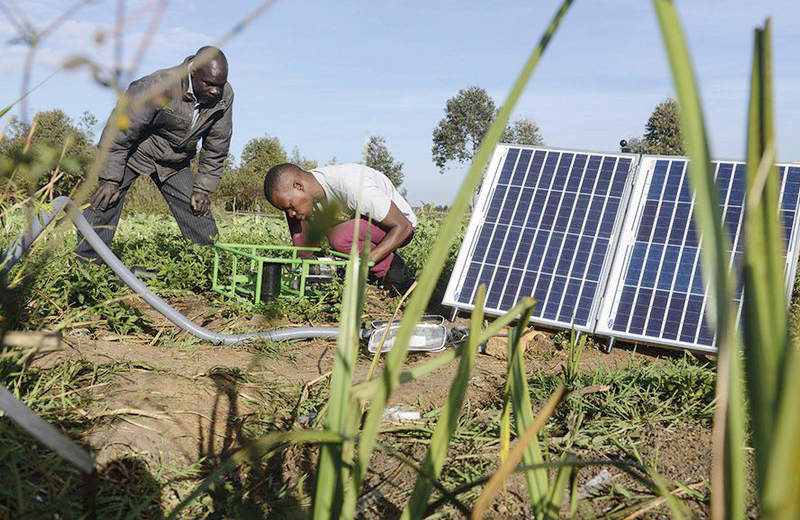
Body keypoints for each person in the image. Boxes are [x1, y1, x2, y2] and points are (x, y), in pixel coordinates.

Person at [76, 46, 233, 264]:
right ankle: (85, 267)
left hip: (175, 160)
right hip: (136, 151)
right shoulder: (158, 86)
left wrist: (203, 188)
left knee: (198, 208)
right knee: (106, 199)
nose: (216, 91)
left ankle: (209, 269)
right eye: (210, 84)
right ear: (193, 71)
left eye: (220, 85)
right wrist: (110, 178)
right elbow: (118, 133)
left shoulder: (224, 96)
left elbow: (217, 146)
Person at [263, 162, 416, 292]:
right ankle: (313, 276)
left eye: (289, 205)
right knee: (298, 218)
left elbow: (404, 226)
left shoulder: (351, 185)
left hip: (397, 227)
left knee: (340, 237)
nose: (289, 213)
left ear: (298, 186)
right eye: (285, 209)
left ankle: (392, 268)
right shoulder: (309, 192)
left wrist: (366, 261)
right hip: (360, 222)